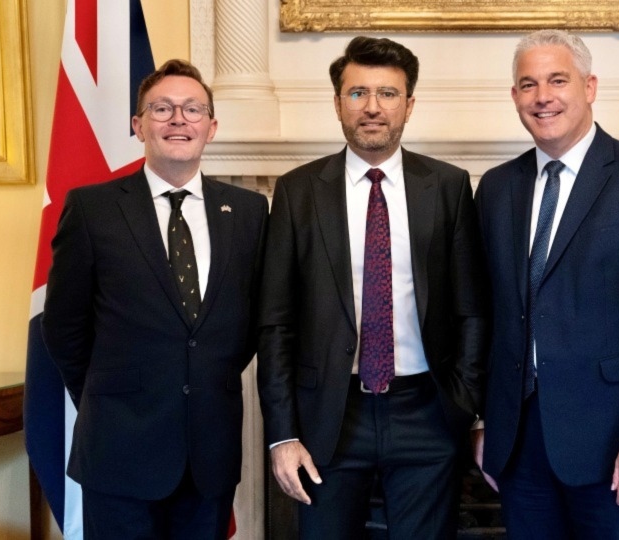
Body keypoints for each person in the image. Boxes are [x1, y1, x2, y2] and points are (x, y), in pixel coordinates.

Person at [257, 36, 489, 538]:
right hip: (330, 418)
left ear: (409, 105)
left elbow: (472, 308)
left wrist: (464, 403)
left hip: (425, 411)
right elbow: (276, 324)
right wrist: (282, 435)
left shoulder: (448, 186)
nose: (373, 108)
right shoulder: (298, 192)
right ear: (338, 103)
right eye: (358, 93)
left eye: (387, 94)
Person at [473, 30, 619, 538]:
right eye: (527, 84)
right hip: (519, 445)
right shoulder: (496, 188)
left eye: (558, 79)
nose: (542, 96)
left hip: (618, 444)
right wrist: (485, 423)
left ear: (590, 86)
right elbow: (489, 314)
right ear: (515, 98)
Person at [41, 59, 268, 539]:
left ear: (212, 125)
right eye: (162, 108)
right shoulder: (92, 208)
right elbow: (63, 326)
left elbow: (250, 322)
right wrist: (111, 393)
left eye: (192, 109)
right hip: (119, 446)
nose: (178, 120)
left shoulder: (248, 211)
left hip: (210, 449)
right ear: (138, 125)